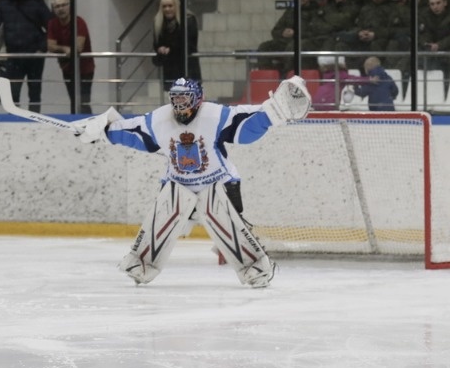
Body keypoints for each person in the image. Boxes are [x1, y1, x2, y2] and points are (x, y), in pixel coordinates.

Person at [77, 76, 312, 288]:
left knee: (227, 224)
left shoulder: (215, 115)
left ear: (198, 99)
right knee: (162, 217)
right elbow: (132, 131)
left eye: (184, 98)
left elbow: (245, 124)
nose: (179, 103)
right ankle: (141, 265)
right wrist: (101, 131)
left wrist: (272, 113)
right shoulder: (159, 119)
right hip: (178, 183)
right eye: (175, 97)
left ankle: (256, 269)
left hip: (219, 183)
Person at [256, 0, 328, 75]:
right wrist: (282, 32)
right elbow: (275, 31)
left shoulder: (318, 11)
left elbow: (318, 33)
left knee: (293, 46)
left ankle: (287, 78)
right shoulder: (290, 11)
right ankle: (267, 79)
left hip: (308, 43)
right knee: (264, 47)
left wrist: (296, 33)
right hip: (288, 42)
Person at [46, 0, 94, 114]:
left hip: (85, 69)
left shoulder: (79, 22)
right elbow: (50, 46)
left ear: (69, 6)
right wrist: (64, 49)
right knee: (74, 101)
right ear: (53, 9)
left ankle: (90, 127)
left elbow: (78, 47)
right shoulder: (52, 23)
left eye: (63, 5)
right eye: (57, 6)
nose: (60, 9)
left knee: (83, 102)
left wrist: (66, 49)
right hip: (67, 69)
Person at [152, 0, 201, 88]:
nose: (167, 9)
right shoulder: (159, 23)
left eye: (170, 6)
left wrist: (170, 49)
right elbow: (156, 44)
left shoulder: (189, 20)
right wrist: (160, 48)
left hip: (187, 68)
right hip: (170, 71)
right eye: (164, 6)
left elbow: (189, 44)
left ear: (176, 6)